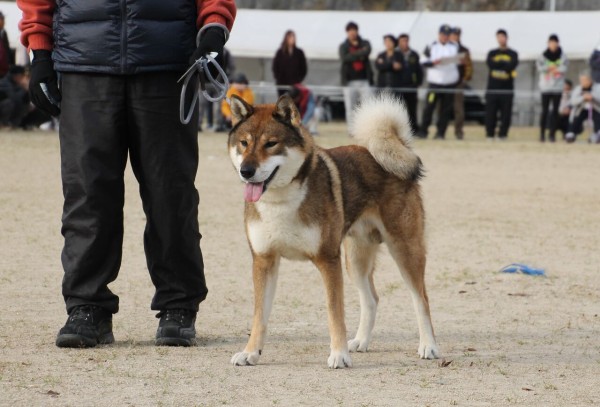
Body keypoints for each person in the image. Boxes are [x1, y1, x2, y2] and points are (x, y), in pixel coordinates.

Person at [17, 0, 236, 348]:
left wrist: (214, 24)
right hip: (83, 62)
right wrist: (40, 51)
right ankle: (87, 306)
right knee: (87, 193)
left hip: (166, 63)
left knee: (170, 193)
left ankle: (179, 304)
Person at [418, 24, 459, 140]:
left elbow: (458, 60)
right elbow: (423, 61)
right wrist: (434, 63)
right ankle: (423, 131)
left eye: (447, 35)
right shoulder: (431, 46)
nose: (445, 37)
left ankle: (441, 133)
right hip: (435, 84)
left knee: (445, 110)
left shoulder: (454, 46)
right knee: (429, 107)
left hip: (449, 84)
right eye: (443, 34)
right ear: (439, 34)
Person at [484, 29, 519, 140]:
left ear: (507, 38)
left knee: (506, 114)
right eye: (499, 37)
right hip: (492, 89)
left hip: (507, 90)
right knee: (490, 113)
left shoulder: (513, 53)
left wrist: (499, 65)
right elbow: (491, 64)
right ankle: (490, 134)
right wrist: (504, 65)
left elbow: (511, 66)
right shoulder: (492, 53)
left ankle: (503, 134)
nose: (501, 39)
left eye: (503, 37)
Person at [339, 21, 373, 125]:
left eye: (354, 30)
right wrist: (360, 53)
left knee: (368, 107)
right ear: (347, 32)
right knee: (350, 108)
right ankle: (352, 130)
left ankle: (368, 128)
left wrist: (353, 54)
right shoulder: (343, 46)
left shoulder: (365, 43)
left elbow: (367, 51)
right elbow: (345, 57)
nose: (353, 33)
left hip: (364, 80)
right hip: (349, 81)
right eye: (350, 31)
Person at [536, 34, 568, 142]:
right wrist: (549, 68)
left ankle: (552, 134)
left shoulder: (563, 55)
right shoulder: (543, 55)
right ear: (548, 43)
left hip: (557, 88)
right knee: (544, 111)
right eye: (551, 42)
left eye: (555, 43)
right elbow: (539, 67)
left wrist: (555, 69)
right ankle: (542, 134)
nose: (553, 45)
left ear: (558, 43)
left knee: (555, 111)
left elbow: (564, 67)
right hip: (545, 87)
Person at [449, 27, 472, 140]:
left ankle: (459, 132)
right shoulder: (445, 48)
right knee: (443, 108)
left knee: (458, 109)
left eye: (457, 35)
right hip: (445, 83)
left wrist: (465, 78)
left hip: (458, 83)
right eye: (453, 35)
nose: (455, 37)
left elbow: (469, 67)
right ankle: (440, 131)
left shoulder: (463, 50)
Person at [397, 33, 423, 134]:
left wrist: (418, 83)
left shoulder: (414, 54)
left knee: (412, 109)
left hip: (411, 87)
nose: (404, 43)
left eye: (406, 41)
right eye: (402, 41)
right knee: (400, 110)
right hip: (399, 87)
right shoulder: (396, 54)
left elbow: (418, 70)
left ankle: (414, 130)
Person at [565, 72, 600, 144]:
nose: (583, 82)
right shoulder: (578, 89)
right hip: (581, 109)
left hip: (595, 109)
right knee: (576, 118)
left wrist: (592, 96)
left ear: (590, 80)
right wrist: (583, 98)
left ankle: (598, 134)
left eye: (585, 80)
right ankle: (571, 134)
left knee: (598, 119)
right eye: (581, 80)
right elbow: (573, 101)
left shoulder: (597, 87)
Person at [272, 30, 307, 97]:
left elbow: (303, 68)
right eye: (290, 37)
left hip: (295, 85)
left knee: (295, 103)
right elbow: (275, 67)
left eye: (293, 37)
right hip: (282, 84)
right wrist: (278, 78)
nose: (292, 39)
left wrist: (299, 80)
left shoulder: (299, 52)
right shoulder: (280, 52)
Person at [0, 11, 14, 78]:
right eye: (2, 19)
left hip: (5, 71)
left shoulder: (4, 33)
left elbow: (7, 50)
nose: (4, 22)